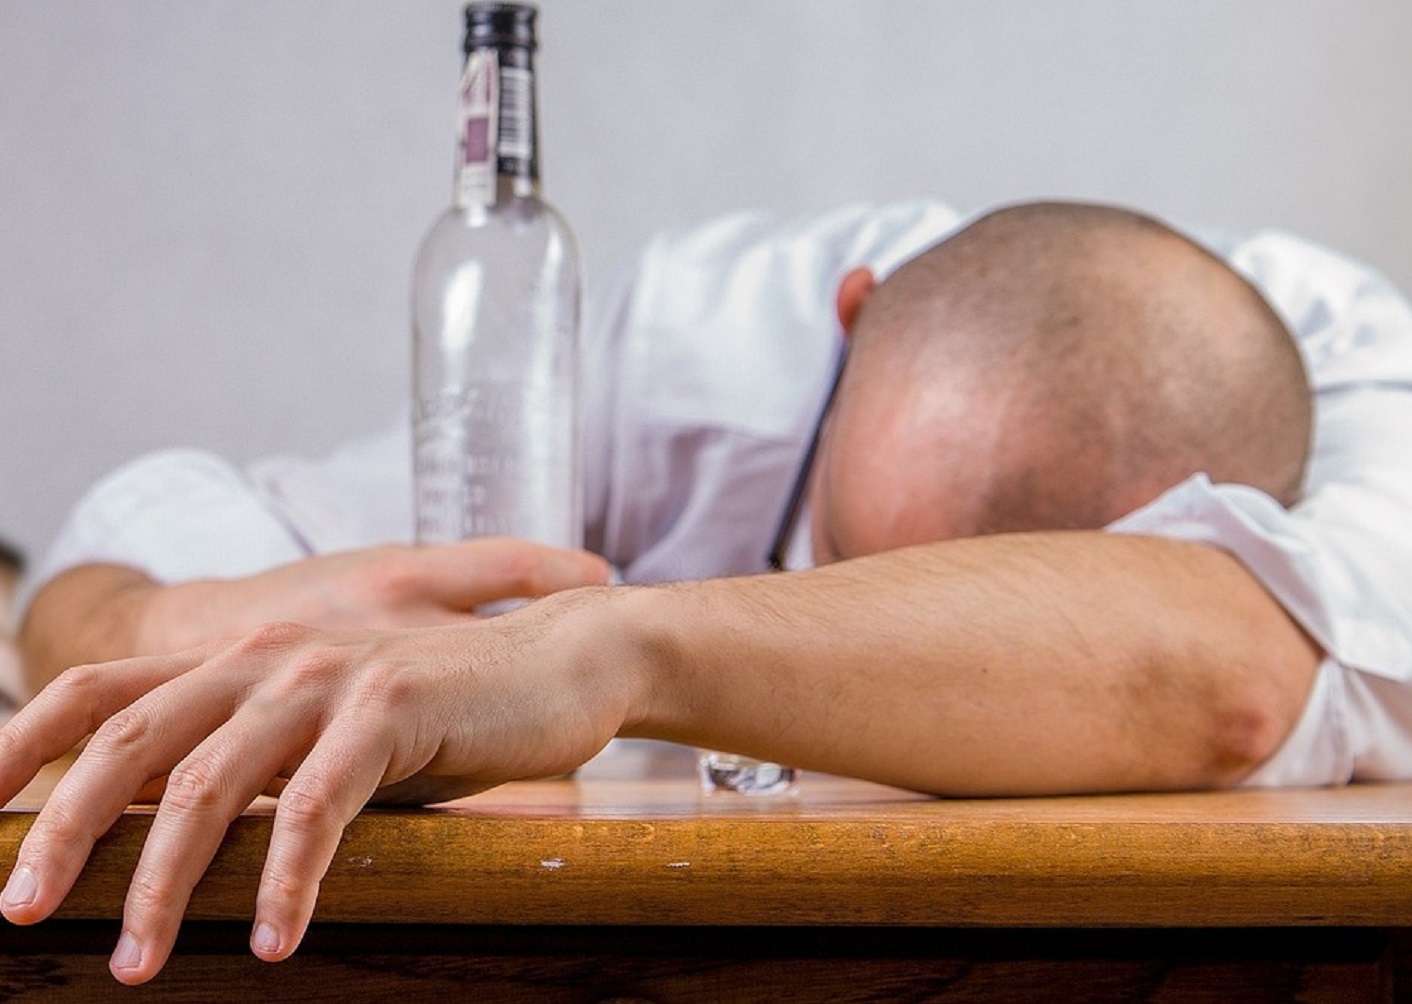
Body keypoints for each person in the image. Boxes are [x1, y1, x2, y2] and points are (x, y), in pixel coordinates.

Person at [3, 199, 1411, 986]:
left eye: (981, 602)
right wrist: (146, 623)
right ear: (847, 324)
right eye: (836, 552)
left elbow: (1231, 684)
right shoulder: (699, 342)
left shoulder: (1369, 394)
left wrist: (599, 656)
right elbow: (126, 545)